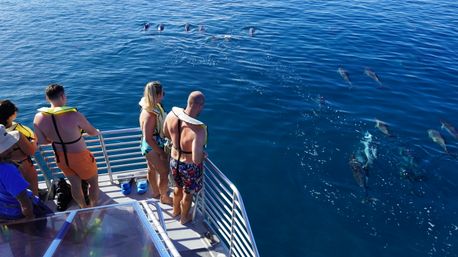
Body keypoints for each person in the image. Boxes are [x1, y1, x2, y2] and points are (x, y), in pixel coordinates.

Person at [33, 84, 99, 208]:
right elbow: (92, 132)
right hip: (80, 156)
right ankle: (94, 206)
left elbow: (42, 141)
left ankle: (83, 207)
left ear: (48, 99)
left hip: (60, 157)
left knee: (75, 184)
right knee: (94, 183)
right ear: (63, 96)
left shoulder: (38, 117)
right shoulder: (74, 115)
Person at [163, 91, 207, 224]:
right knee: (188, 194)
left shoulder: (171, 115)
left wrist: (177, 143)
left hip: (173, 160)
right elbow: (196, 159)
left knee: (177, 188)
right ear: (200, 106)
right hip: (188, 167)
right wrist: (202, 155)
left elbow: (165, 133)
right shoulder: (198, 130)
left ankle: (175, 211)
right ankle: (183, 218)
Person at [0, 124, 53, 221]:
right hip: (22, 213)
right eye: (7, 147)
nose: (11, 148)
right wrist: (30, 219)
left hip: (6, 212)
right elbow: (24, 201)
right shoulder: (8, 170)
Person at [139, 81, 172, 204]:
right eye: (163, 93)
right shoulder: (150, 115)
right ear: (157, 95)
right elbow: (148, 138)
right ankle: (164, 197)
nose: (164, 95)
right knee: (164, 172)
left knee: (151, 169)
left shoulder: (149, 106)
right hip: (151, 146)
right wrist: (161, 153)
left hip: (149, 145)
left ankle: (155, 192)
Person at [0, 100, 39, 195]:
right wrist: (34, 141)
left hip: (4, 168)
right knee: (32, 195)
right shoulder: (16, 134)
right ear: (11, 115)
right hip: (23, 166)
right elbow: (31, 151)